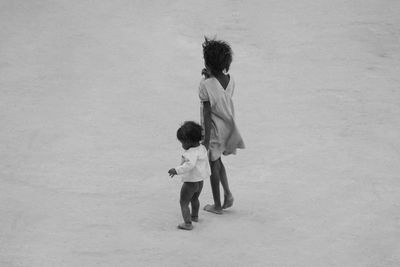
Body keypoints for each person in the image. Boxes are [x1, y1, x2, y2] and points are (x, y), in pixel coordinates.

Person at [199, 37, 245, 215]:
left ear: (207, 63)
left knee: (213, 165)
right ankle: (227, 194)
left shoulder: (205, 85)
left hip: (213, 131)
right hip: (228, 127)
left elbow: (207, 112)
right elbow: (221, 94)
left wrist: (206, 140)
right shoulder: (230, 80)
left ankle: (217, 205)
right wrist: (211, 74)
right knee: (218, 162)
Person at [168, 121, 211, 230]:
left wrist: (176, 170)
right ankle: (194, 216)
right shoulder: (202, 148)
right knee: (195, 198)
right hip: (200, 181)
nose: (182, 145)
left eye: (182, 142)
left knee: (183, 202)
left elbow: (189, 165)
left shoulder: (190, 153)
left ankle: (187, 223)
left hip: (190, 183)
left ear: (188, 141)